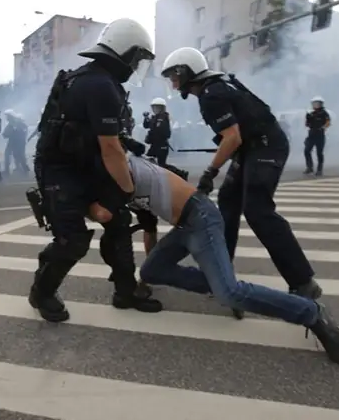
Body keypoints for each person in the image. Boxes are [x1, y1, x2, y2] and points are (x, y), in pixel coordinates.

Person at [89, 155, 339, 365]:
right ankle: (223, 282)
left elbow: (102, 211)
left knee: (229, 293)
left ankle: (312, 313)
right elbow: (149, 229)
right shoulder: (118, 186)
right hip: (182, 228)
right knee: (152, 270)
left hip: (201, 219)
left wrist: (81, 204)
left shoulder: (123, 169)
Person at [28, 18, 162, 322]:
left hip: (84, 164)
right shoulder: (100, 84)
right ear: (125, 52)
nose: (136, 66)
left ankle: (125, 290)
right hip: (61, 169)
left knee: (118, 221)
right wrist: (128, 189)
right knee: (72, 239)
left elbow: (90, 131)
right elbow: (110, 148)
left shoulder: (87, 78)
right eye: (137, 58)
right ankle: (42, 291)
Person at [160, 47, 321, 300]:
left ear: (186, 71)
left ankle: (302, 281)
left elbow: (231, 137)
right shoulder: (221, 82)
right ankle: (220, 274)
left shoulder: (210, 95)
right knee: (227, 207)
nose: (172, 82)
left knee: (258, 211)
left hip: (266, 146)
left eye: (174, 75)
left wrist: (210, 172)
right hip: (251, 149)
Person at [304, 96, 330, 176]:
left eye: (317, 103)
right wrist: (308, 119)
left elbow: (328, 122)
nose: (315, 105)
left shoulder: (324, 113)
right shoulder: (310, 113)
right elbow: (307, 124)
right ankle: (309, 167)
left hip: (320, 135)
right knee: (307, 151)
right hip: (311, 135)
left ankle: (319, 170)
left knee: (319, 153)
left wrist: (323, 127)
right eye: (314, 103)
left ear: (321, 104)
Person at [142, 97, 171, 166]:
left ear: (161, 108)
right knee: (147, 161)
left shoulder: (163, 118)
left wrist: (150, 137)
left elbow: (160, 131)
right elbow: (146, 125)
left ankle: (180, 173)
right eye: (154, 107)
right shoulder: (155, 118)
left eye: (157, 107)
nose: (154, 109)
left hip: (161, 145)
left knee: (162, 165)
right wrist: (146, 118)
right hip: (155, 145)